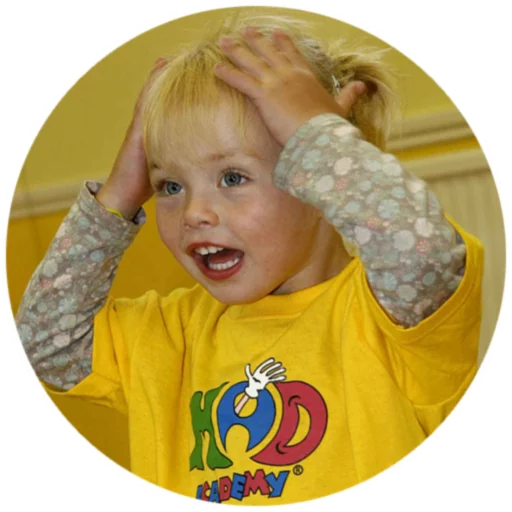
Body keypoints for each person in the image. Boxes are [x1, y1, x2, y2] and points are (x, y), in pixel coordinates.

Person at [15, 14, 483, 505]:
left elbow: (422, 251)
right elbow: (44, 344)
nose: (194, 213)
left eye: (233, 178)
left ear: (316, 179)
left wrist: (316, 134)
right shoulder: (166, 334)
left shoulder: (393, 314)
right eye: (169, 186)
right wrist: (119, 192)